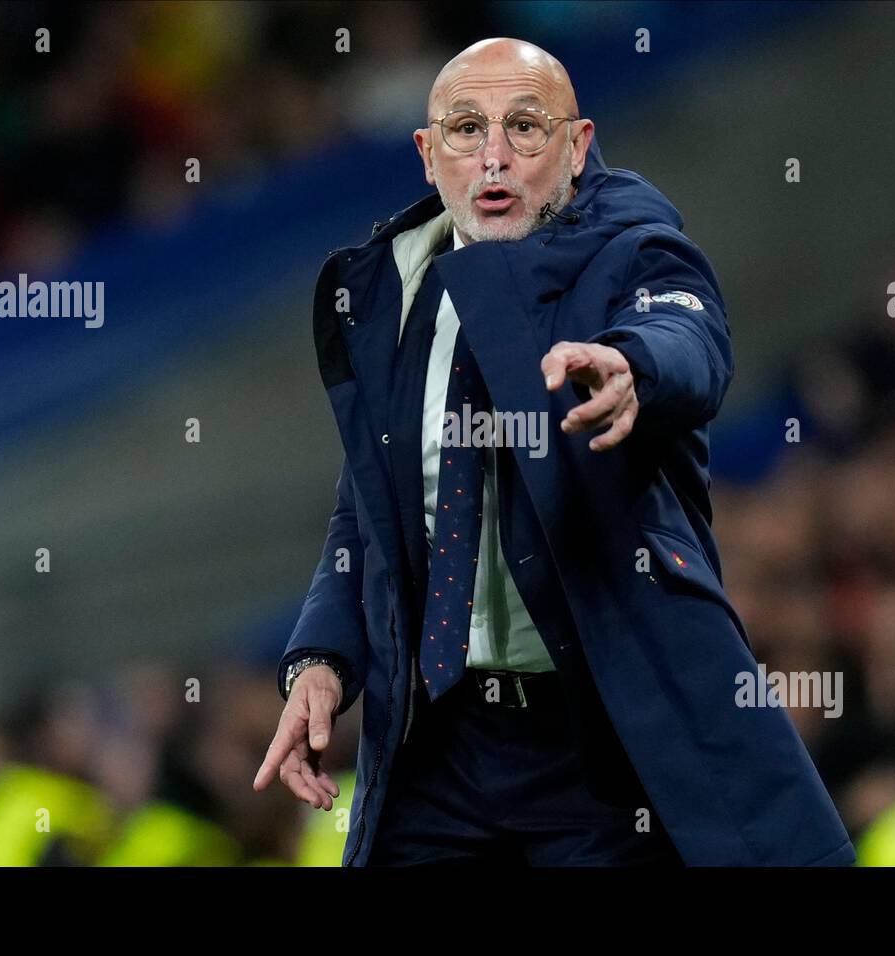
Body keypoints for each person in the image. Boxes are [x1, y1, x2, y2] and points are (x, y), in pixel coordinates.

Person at [254, 37, 854, 866]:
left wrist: (632, 366)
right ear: (428, 157)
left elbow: (687, 337)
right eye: (466, 129)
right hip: (439, 751)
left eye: (526, 128)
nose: (493, 156)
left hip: (601, 746)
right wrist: (322, 659)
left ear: (577, 148)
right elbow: (369, 509)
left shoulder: (634, 251)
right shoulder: (396, 299)